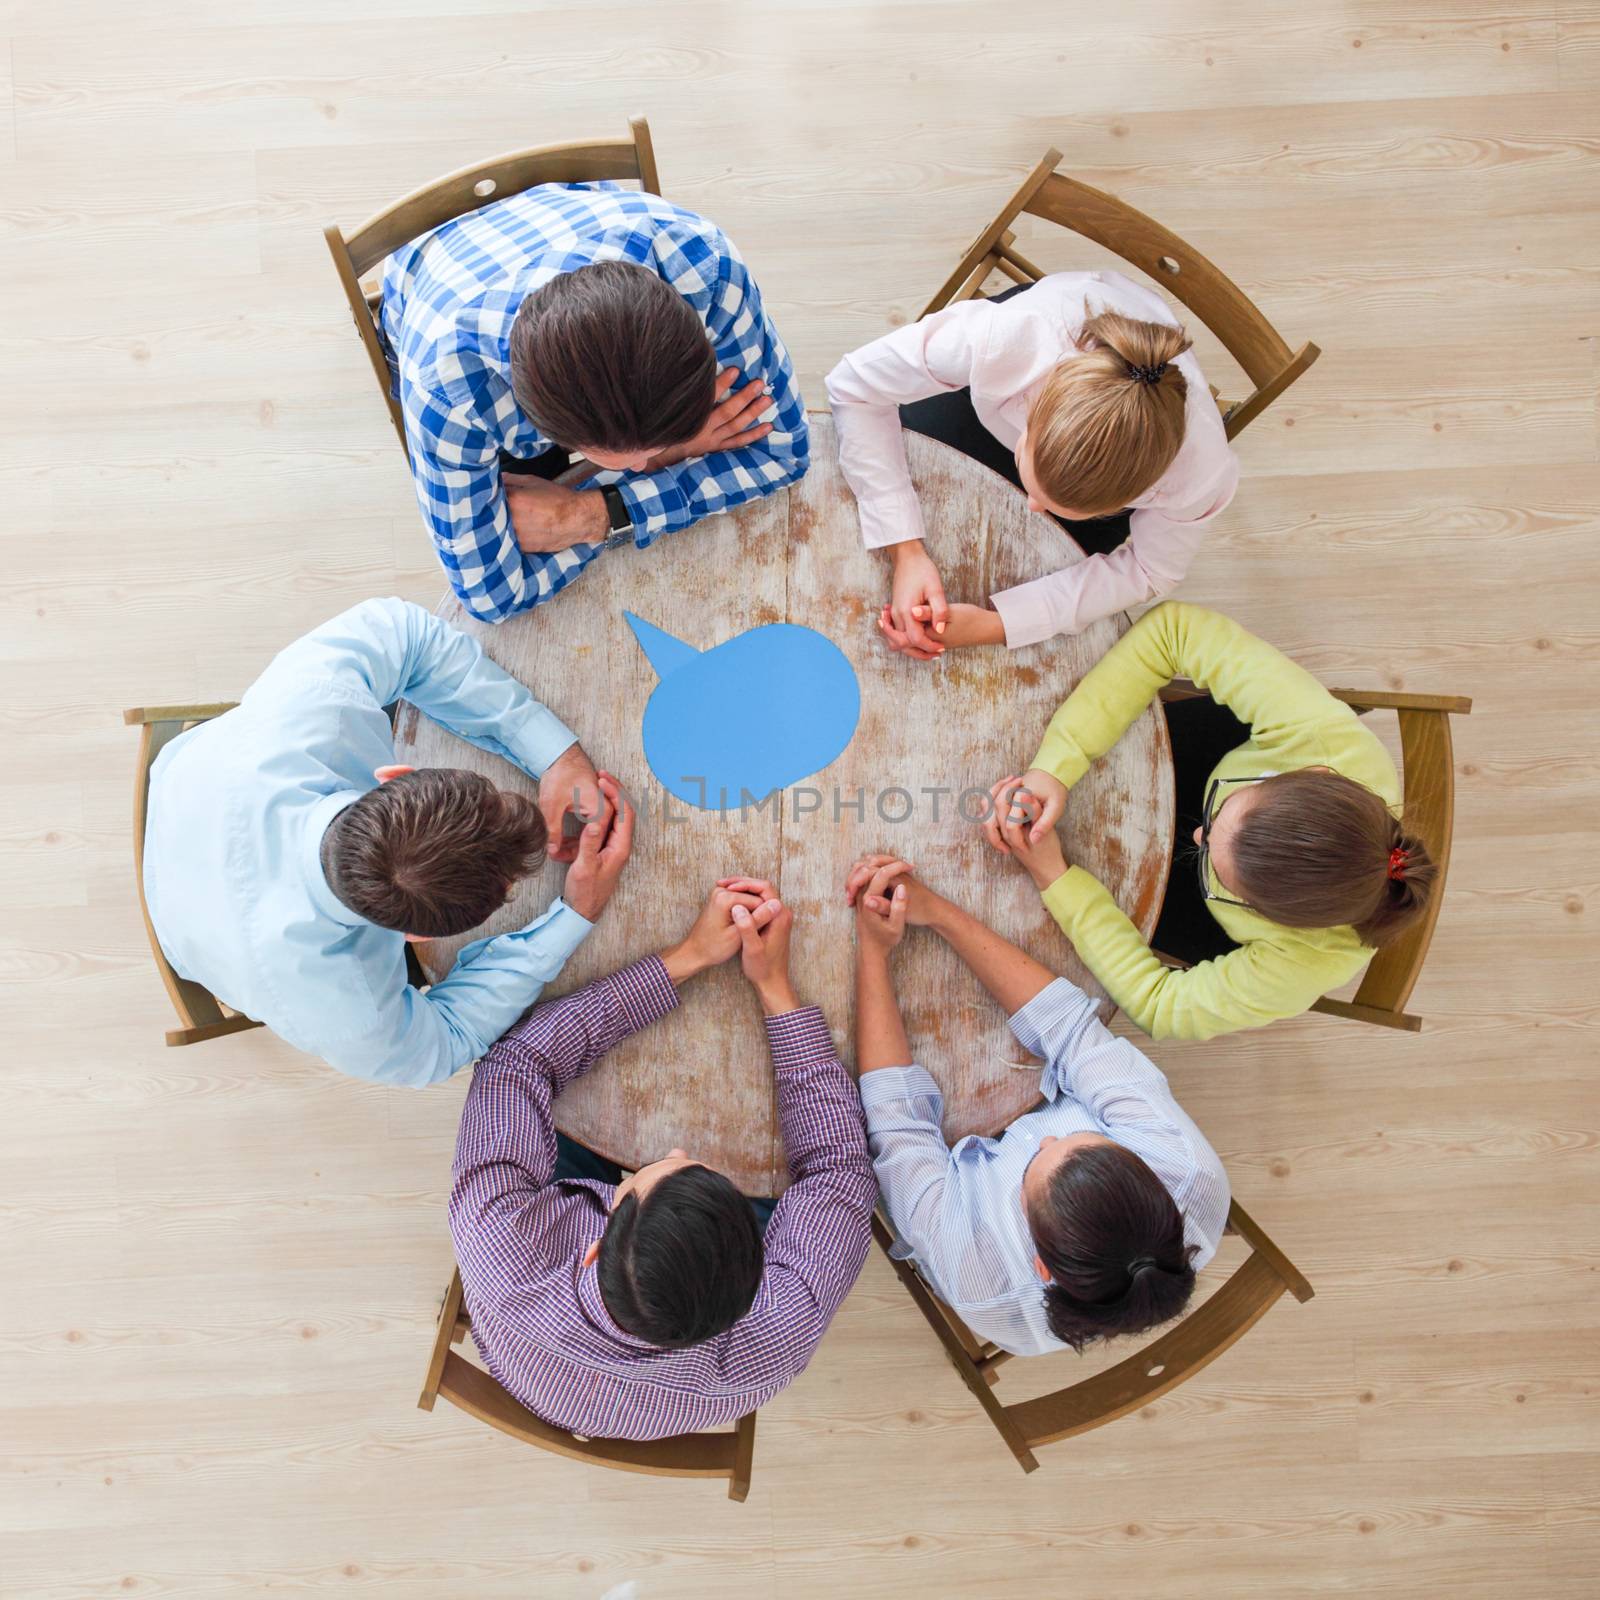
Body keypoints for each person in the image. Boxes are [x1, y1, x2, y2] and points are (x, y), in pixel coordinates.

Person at [448, 877, 876, 1442]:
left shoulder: (500, 1240)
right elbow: (839, 1172)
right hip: (590, 1375)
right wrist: (775, 989)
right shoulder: (777, 1337)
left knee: (545, 1118)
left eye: (667, 1167)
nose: (676, 1151)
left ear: (594, 1246)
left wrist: (686, 958)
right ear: (754, 1278)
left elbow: (517, 1062)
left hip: (534, 1354)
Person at [143, 597, 633, 1085]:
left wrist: (553, 753)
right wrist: (575, 913)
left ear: (395, 775)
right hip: (191, 934)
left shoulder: (310, 703)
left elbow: (409, 634)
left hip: (184, 788)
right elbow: (446, 1041)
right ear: (414, 938)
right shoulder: (345, 1012)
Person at [981, 601, 1436, 1041]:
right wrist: (1059, 763)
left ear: (1266, 915)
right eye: (1222, 812)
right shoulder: (1324, 740)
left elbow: (1160, 1008)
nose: (1197, 833)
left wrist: (1054, 876)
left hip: (1183, 908)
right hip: (1192, 755)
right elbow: (1173, 630)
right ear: (1311, 773)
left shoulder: (1304, 965)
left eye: (1221, 868)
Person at [845, 854, 1228, 1356]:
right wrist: (939, 912)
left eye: (1040, 1156)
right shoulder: (1184, 1166)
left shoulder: (975, 1271)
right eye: (1081, 1138)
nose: (1046, 1136)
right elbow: (1069, 1030)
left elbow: (898, 1125)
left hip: (957, 1188)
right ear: (1152, 1176)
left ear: (1040, 1267)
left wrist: (873, 955)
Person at [380, 181, 809, 622]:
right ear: (546, 429)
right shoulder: (449, 394)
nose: (648, 464)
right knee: (523, 492)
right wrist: (677, 456)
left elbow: (786, 454)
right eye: (636, 458)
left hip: (569, 208)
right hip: (425, 275)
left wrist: (592, 514)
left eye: (660, 452)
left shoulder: (703, 261)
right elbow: (493, 596)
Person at [824, 270, 1237, 659]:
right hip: (1038, 338)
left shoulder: (1199, 476)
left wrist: (998, 624)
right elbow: (853, 385)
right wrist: (905, 548)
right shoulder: (1004, 340)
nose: (1031, 506)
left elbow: (1150, 571)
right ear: (1032, 412)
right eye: (1032, 480)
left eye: (1055, 505)